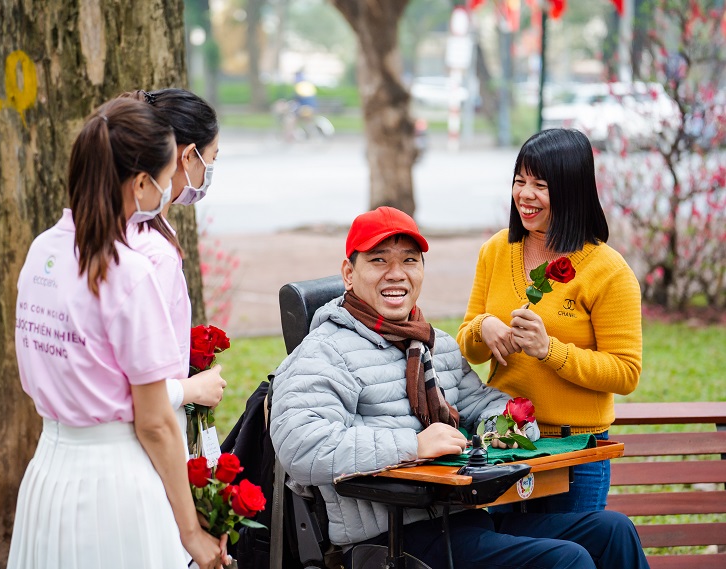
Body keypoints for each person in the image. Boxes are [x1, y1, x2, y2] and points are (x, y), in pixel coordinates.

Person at [269, 206, 649, 569]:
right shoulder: (323, 352)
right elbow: (300, 445)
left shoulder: (436, 345)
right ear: (349, 273)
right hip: (392, 540)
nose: (396, 273)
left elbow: (484, 403)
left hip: (461, 520)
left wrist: (503, 428)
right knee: (567, 561)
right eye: (379, 260)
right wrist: (413, 447)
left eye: (409, 260)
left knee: (611, 531)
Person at [8, 98, 230, 569]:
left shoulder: (42, 251)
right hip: (116, 486)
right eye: (168, 173)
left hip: (48, 474)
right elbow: (153, 422)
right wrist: (191, 531)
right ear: (143, 183)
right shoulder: (128, 272)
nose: (171, 185)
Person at [457, 128, 642, 513]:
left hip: (575, 452)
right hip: (506, 442)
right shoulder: (496, 249)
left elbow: (625, 373)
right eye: (519, 181)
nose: (525, 194)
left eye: (540, 185)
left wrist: (550, 351)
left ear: (572, 191)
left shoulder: (608, 271)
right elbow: (467, 345)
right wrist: (483, 327)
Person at [119, 88, 225, 455]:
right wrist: (193, 389)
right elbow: (138, 378)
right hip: (150, 437)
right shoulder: (154, 251)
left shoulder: (123, 230)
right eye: (211, 158)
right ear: (188, 155)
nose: (210, 171)